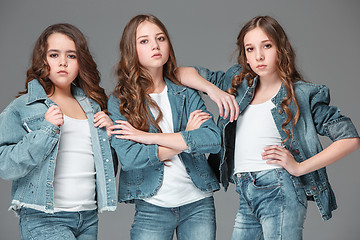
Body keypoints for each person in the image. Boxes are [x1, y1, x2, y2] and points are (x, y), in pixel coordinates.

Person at [178, 15, 360, 239]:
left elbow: (350, 138)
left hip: (279, 189)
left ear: (281, 48)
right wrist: (213, 91)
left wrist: (299, 168)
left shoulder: (301, 95)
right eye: (250, 49)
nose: (259, 56)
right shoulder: (236, 83)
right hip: (245, 190)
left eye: (267, 46)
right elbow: (180, 73)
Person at [107, 14, 221, 240]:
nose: (155, 45)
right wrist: (186, 137)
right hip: (152, 207)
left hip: (198, 202)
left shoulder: (186, 92)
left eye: (160, 38)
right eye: (144, 41)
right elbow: (130, 158)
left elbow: (212, 139)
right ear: (132, 49)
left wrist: (146, 138)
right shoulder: (121, 101)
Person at [0, 23, 117, 240]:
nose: (63, 62)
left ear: (81, 61)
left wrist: (108, 138)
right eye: (54, 55)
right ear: (42, 61)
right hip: (44, 217)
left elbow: (106, 169)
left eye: (71, 56)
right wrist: (46, 130)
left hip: (87, 217)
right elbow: (4, 165)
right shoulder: (24, 106)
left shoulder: (92, 107)